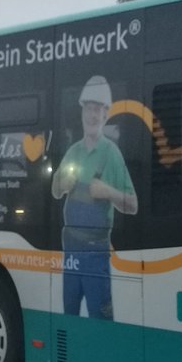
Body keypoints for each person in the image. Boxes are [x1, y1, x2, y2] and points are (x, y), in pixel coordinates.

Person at [51, 76, 137, 320]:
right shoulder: (73, 151)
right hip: (70, 251)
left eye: (97, 110)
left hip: (95, 252)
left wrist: (109, 192)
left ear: (105, 115)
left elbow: (132, 204)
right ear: (82, 113)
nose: (92, 115)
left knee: (100, 315)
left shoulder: (112, 154)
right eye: (89, 108)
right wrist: (60, 185)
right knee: (69, 312)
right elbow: (55, 191)